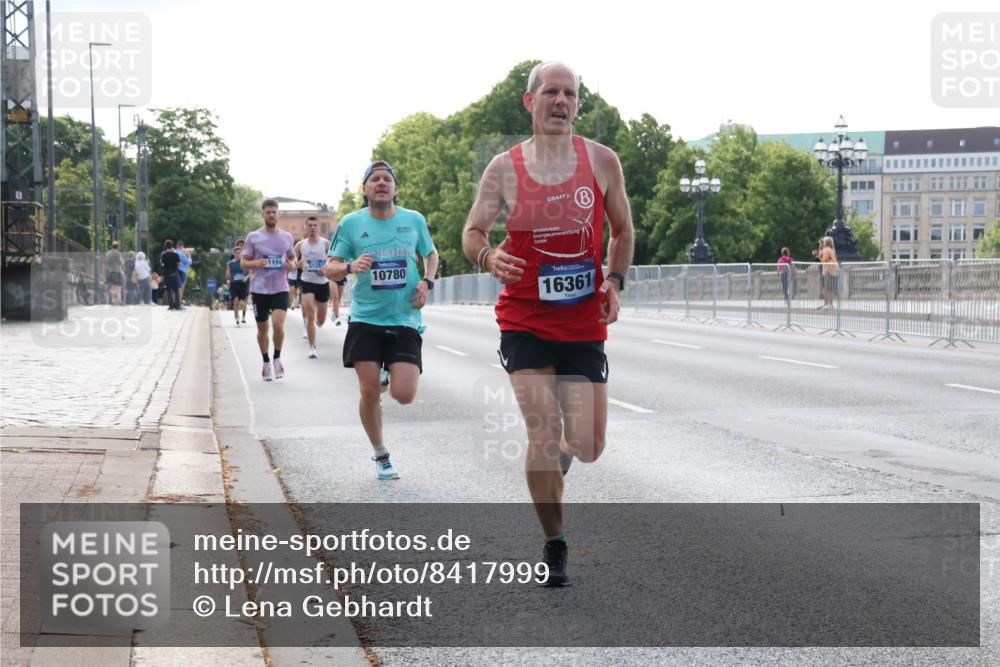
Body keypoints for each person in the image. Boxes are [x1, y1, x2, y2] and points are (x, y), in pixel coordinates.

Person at [461, 62, 634, 587]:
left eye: (570, 94)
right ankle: (555, 543)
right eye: (551, 92)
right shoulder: (504, 169)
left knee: (586, 446)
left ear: (578, 105)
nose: (561, 101)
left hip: (583, 321)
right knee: (543, 428)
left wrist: (615, 281)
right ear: (529, 101)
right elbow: (472, 232)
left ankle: (557, 459)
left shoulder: (602, 161)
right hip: (525, 319)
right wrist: (488, 257)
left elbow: (622, 231)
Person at [325, 161, 438, 480]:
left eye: (387, 179)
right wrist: (350, 267)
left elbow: (430, 253)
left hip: (404, 317)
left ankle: (390, 370)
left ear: (395, 188)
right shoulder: (350, 224)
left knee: (404, 395)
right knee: (369, 389)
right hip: (365, 319)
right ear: (365, 189)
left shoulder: (413, 220)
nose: (381, 183)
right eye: (374, 179)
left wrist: (427, 281)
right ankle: (381, 454)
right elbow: (329, 268)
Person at [242, 199, 296, 381]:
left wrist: (292, 265)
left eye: (274, 212)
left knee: (278, 324)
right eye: (268, 212)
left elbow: (293, 259)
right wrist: (255, 263)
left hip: (280, 287)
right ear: (263, 214)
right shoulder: (253, 237)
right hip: (259, 290)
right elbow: (243, 262)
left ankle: (277, 358)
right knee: (262, 329)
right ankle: (265, 361)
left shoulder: (287, 237)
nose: (271, 215)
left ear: (278, 214)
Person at [295, 216, 331, 358]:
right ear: (305, 227)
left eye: (315, 225)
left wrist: (326, 267)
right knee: (310, 313)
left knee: (320, 321)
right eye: (309, 225)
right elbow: (292, 259)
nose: (312, 228)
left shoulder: (326, 244)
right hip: (307, 282)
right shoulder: (300, 245)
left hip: (322, 283)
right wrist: (298, 263)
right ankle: (312, 347)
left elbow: (335, 259)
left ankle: (317, 323)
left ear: (318, 227)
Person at [226, 245, 249, 326]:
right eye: (236, 253)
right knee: (235, 301)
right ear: (233, 253)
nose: (237, 254)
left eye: (239, 253)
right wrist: (228, 275)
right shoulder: (230, 263)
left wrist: (246, 277)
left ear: (241, 254)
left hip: (243, 284)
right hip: (234, 284)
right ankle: (237, 318)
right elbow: (228, 274)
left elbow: (250, 272)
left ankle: (243, 316)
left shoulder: (244, 262)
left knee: (243, 302)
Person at [815, 236, 838, 309]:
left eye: (824, 241)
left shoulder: (826, 249)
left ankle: (826, 304)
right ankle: (830, 304)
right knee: (830, 288)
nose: (823, 242)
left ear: (826, 242)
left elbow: (824, 260)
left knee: (826, 288)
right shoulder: (831, 249)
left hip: (828, 270)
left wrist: (818, 257)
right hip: (833, 270)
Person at [159, 240, 182, 310]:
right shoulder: (176, 255)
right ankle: (178, 306)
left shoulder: (164, 255)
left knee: (169, 290)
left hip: (167, 274)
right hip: (175, 274)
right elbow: (179, 263)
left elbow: (162, 264)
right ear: (172, 246)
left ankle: (171, 306)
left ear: (166, 246)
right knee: (176, 290)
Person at [175, 240, 192, 307]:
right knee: (181, 288)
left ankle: (174, 302)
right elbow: (188, 262)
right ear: (182, 246)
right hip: (183, 271)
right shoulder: (181, 253)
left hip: (175, 271)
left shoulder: (175, 252)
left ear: (176, 245)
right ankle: (179, 303)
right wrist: (189, 256)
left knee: (175, 288)